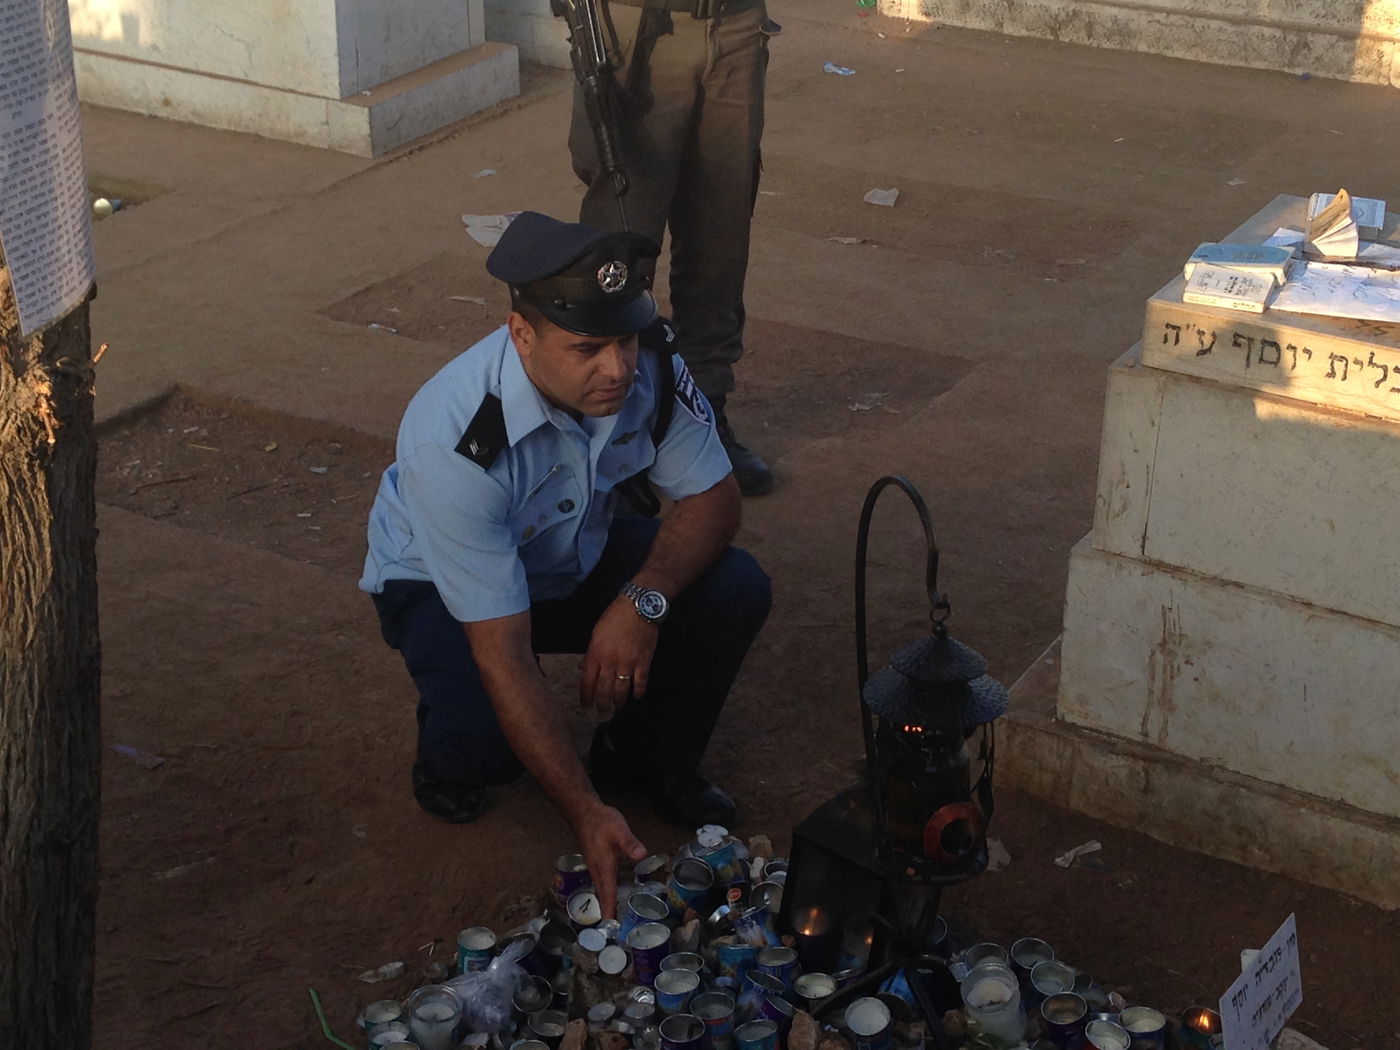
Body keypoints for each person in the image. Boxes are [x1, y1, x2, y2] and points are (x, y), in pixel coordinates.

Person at [360, 211, 772, 913]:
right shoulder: (453, 438)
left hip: (575, 547)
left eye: (624, 341)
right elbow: (505, 654)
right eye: (587, 349)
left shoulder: (653, 367)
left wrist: (642, 603)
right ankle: (446, 754)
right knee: (487, 754)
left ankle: (643, 758)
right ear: (523, 336)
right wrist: (584, 811)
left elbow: (715, 501)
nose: (616, 369)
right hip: (441, 582)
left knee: (734, 586)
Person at [564, 0, 775, 495]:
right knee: (621, 249)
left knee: (720, 236)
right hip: (640, 29)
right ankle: (607, 432)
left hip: (737, 23)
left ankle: (704, 410)